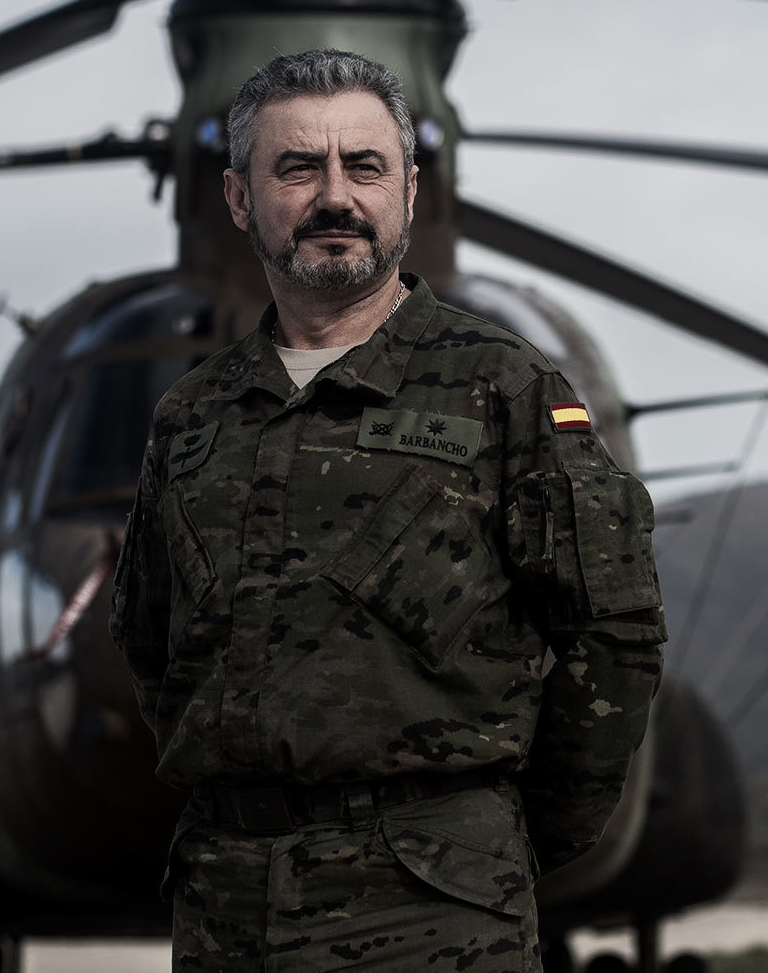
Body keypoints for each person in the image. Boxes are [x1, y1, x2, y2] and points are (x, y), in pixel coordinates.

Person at [110, 48, 665, 970]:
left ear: (409, 190)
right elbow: (150, 638)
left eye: (363, 167)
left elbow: (614, 632)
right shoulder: (194, 415)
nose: (335, 197)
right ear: (241, 199)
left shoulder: (505, 388)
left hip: (433, 904)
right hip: (227, 901)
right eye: (297, 168)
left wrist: (507, 836)